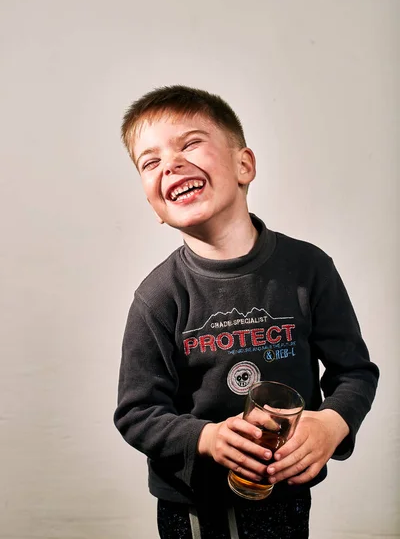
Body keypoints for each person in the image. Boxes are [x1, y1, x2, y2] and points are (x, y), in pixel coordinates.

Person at [114, 85, 379, 539]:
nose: (170, 164)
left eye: (190, 143)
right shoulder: (157, 297)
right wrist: (207, 438)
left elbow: (354, 373)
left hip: (287, 500)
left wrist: (333, 423)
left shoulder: (309, 269)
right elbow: (137, 412)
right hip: (193, 511)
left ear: (244, 165)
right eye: (150, 161)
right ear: (153, 204)